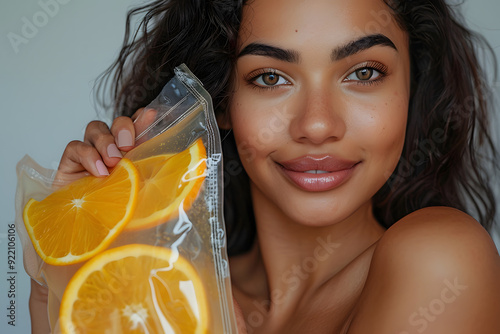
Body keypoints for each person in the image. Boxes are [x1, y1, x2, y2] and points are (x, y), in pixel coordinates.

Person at [29, 0, 500, 333]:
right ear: (221, 104)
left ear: (412, 90)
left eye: (364, 73)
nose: (317, 125)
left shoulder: (442, 262)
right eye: (270, 78)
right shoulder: (169, 292)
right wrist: (62, 275)